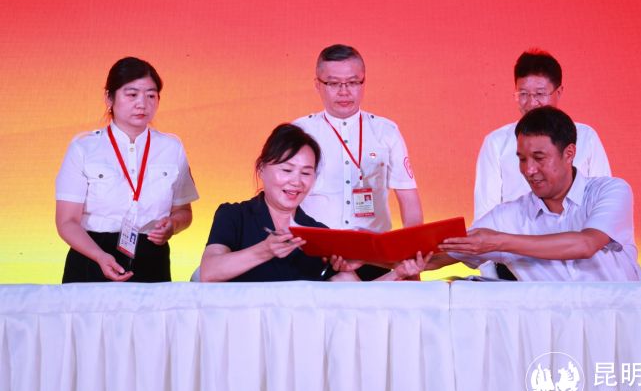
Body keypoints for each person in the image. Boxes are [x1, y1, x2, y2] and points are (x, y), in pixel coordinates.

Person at [199, 123, 430, 282]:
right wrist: (265, 250)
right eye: (287, 170)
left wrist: (398, 273)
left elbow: (352, 295)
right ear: (261, 169)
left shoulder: (318, 234)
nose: (296, 181)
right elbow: (209, 272)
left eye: (306, 173)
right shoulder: (233, 215)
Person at [440, 106, 641, 281]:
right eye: (522, 159)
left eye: (539, 158)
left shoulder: (611, 191)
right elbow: (447, 252)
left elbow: (586, 244)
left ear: (569, 153)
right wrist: (421, 260)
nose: (528, 170)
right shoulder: (507, 217)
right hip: (549, 317)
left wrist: (500, 242)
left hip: (621, 313)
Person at [56, 57, 199, 282]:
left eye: (151, 95)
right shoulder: (84, 148)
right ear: (109, 97)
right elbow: (66, 222)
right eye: (132, 95)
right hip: (92, 254)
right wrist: (99, 256)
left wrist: (172, 226)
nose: (142, 104)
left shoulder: (172, 147)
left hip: (152, 255)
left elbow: (184, 211)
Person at [473, 49, 611, 278]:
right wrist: (491, 277)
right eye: (523, 94)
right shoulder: (496, 143)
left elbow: (601, 202)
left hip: (577, 261)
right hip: (516, 264)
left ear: (559, 92)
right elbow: (485, 214)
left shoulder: (586, 137)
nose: (531, 103)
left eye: (540, 94)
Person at [293, 44, 424, 279]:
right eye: (333, 83)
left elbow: (409, 201)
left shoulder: (386, 131)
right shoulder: (299, 132)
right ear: (317, 85)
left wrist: (412, 259)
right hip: (313, 256)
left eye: (353, 82)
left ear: (363, 83)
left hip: (374, 257)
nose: (344, 92)